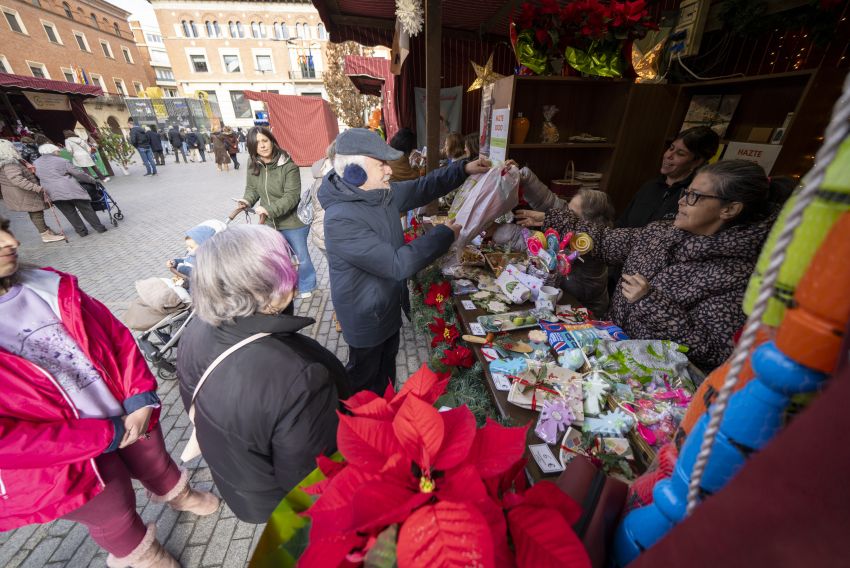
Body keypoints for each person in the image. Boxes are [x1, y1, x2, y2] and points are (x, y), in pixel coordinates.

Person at [0, 217, 220, 568]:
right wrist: (105, 435)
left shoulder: (48, 285)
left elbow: (114, 336)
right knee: (111, 508)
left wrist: (140, 394)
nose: (10, 241)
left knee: (155, 459)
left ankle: (179, 495)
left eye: (5, 227)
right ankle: (144, 555)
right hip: (58, 460)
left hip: (129, 414)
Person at [517, 160, 781, 371]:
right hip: (606, 352)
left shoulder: (739, 275)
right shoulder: (660, 233)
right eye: (685, 192)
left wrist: (650, 302)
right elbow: (603, 240)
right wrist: (553, 218)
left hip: (652, 385)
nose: (681, 201)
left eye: (694, 196)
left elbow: (714, 350)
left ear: (730, 209)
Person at [175, 224, 348, 523]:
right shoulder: (299, 378)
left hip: (240, 480)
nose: (295, 266)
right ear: (262, 289)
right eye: (287, 260)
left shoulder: (198, 327)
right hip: (281, 497)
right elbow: (311, 478)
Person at [319, 128, 490, 394]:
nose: (389, 170)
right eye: (381, 164)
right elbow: (398, 264)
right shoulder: (340, 218)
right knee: (364, 382)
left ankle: (387, 419)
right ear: (355, 171)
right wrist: (445, 233)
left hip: (386, 305)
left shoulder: (379, 192)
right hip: (365, 315)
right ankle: (355, 427)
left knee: (386, 376)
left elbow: (423, 188)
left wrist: (463, 169)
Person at [236, 127, 317, 298]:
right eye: (257, 143)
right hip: (269, 223)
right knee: (277, 258)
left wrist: (269, 209)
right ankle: (286, 286)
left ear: (272, 141)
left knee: (300, 256)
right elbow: (252, 189)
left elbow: (292, 196)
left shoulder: (289, 166)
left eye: (265, 141)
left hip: (293, 222)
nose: (262, 146)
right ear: (251, 147)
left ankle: (307, 285)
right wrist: (247, 201)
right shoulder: (253, 165)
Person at [617, 126, 720, 229]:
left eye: (680, 154)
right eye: (671, 148)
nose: (668, 155)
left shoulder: (694, 197)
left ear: (697, 162)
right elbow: (622, 223)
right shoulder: (650, 186)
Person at [34, 144, 108, 237]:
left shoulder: (36, 163)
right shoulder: (62, 161)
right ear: (52, 151)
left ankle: (81, 232)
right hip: (70, 189)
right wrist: (93, 181)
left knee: (69, 213)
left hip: (52, 192)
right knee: (86, 209)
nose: (59, 153)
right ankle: (99, 228)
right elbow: (78, 174)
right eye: (58, 151)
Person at [0, 139, 63, 243]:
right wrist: (38, 188)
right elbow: (17, 180)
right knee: (36, 212)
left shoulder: (8, 163)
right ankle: (45, 235)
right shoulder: (9, 164)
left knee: (36, 212)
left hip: (21, 193)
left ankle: (47, 232)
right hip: (22, 193)